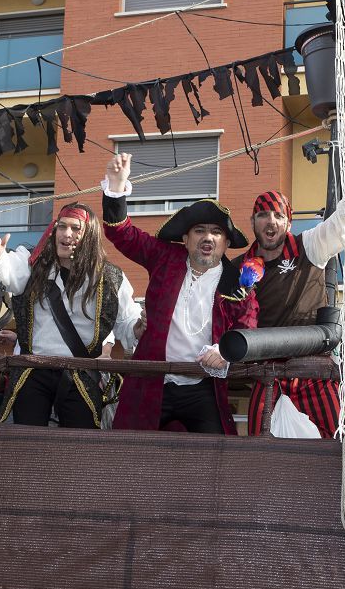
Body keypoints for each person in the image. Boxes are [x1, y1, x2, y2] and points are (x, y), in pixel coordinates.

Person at [102, 152, 258, 434]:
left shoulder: (237, 284)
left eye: (216, 232)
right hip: (152, 380)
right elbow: (123, 234)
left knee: (217, 456)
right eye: (199, 231)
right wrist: (115, 189)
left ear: (225, 243)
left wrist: (225, 352)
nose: (208, 237)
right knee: (130, 452)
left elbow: (247, 328)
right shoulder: (166, 257)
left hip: (202, 386)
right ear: (185, 240)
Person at [235, 146, 345, 438]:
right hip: (266, 372)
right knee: (255, 451)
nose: (270, 221)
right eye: (262, 215)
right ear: (252, 223)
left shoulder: (308, 246)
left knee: (337, 444)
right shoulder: (238, 267)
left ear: (288, 221)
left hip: (314, 369)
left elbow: (344, 222)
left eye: (277, 214)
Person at [0, 202, 142, 428]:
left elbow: (128, 321)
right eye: (62, 227)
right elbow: (8, 268)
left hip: (80, 374)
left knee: (79, 444)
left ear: (89, 235)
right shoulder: (32, 265)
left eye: (75, 228)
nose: (66, 233)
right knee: (27, 441)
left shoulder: (109, 278)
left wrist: (140, 327)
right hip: (34, 370)